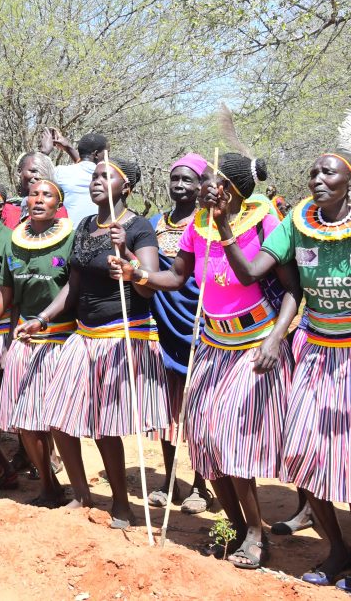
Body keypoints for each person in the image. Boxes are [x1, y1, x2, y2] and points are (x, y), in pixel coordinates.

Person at [215, 149, 351, 591]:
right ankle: (335, 548)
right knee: (302, 451)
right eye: (312, 170)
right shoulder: (298, 222)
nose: (317, 177)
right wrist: (223, 226)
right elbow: (252, 273)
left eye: (328, 172)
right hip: (316, 349)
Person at [112, 154, 299, 567]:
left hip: (254, 344)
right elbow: (177, 277)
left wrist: (275, 338)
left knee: (230, 441)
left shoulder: (264, 221)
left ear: (227, 189)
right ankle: (232, 525)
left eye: (207, 181)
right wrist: (135, 274)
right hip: (213, 342)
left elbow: (286, 288)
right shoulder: (197, 226)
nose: (198, 188)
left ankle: (255, 532)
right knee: (204, 439)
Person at [35, 157, 169, 527]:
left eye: (106, 176)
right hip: (84, 334)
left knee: (105, 424)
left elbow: (149, 282)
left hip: (121, 334)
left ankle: (122, 505)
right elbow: (73, 287)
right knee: (57, 412)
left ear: (125, 188)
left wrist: (126, 254)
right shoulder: (83, 226)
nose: (97, 181)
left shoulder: (137, 226)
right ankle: (81, 494)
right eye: (94, 176)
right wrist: (42, 318)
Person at [0, 179, 75, 507]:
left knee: (56, 422)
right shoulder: (15, 242)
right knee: (27, 425)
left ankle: (81, 492)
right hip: (24, 341)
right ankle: (49, 485)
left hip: (60, 340)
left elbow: (73, 288)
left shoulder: (71, 238)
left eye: (47, 195)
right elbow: (5, 293)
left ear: (57, 202)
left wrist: (45, 318)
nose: (38, 199)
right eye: (33, 194)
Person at [145, 155, 213, 513]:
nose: (181, 186)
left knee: (195, 410)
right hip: (163, 322)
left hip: (199, 323)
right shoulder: (157, 223)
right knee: (167, 406)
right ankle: (169, 480)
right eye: (176, 179)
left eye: (189, 180)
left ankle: (201, 486)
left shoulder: (207, 225)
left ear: (202, 184)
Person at [50, 131, 108, 223]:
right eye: (106, 153)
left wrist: (67, 148)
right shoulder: (108, 175)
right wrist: (68, 148)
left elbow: (84, 164)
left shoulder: (60, 172)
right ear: (96, 154)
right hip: (97, 231)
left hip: (66, 231)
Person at [1, 152, 68, 229]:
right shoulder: (7, 208)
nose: (38, 176)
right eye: (33, 171)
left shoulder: (55, 209)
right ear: (19, 171)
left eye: (43, 173)